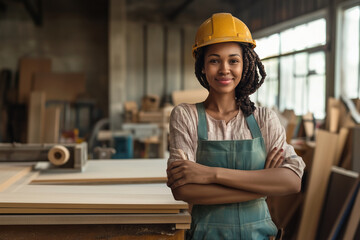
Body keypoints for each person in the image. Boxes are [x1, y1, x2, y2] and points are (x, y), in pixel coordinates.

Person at [166, 13, 306, 240]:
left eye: (233, 60)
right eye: (214, 60)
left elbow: (292, 181)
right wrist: (263, 184)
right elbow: (183, 189)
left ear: (245, 64)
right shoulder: (185, 115)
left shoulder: (264, 119)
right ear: (202, 66)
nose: (224, 69)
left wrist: (210, 174)